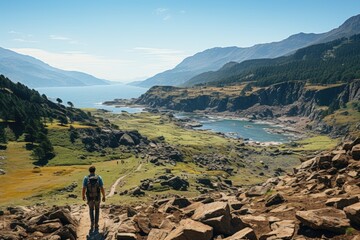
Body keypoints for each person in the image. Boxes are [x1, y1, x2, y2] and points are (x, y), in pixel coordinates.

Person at [82, 166, 105, 230]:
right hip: (97, 197)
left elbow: (84, 188)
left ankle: (92, 223)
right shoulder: (99, 177)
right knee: (97, 210)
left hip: (89, 197)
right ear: (95, 170)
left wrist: (83, 196)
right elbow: (101, 188)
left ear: (89, 171)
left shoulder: (86, 178)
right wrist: (104, 196)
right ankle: (96, 224)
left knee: (91, 210)